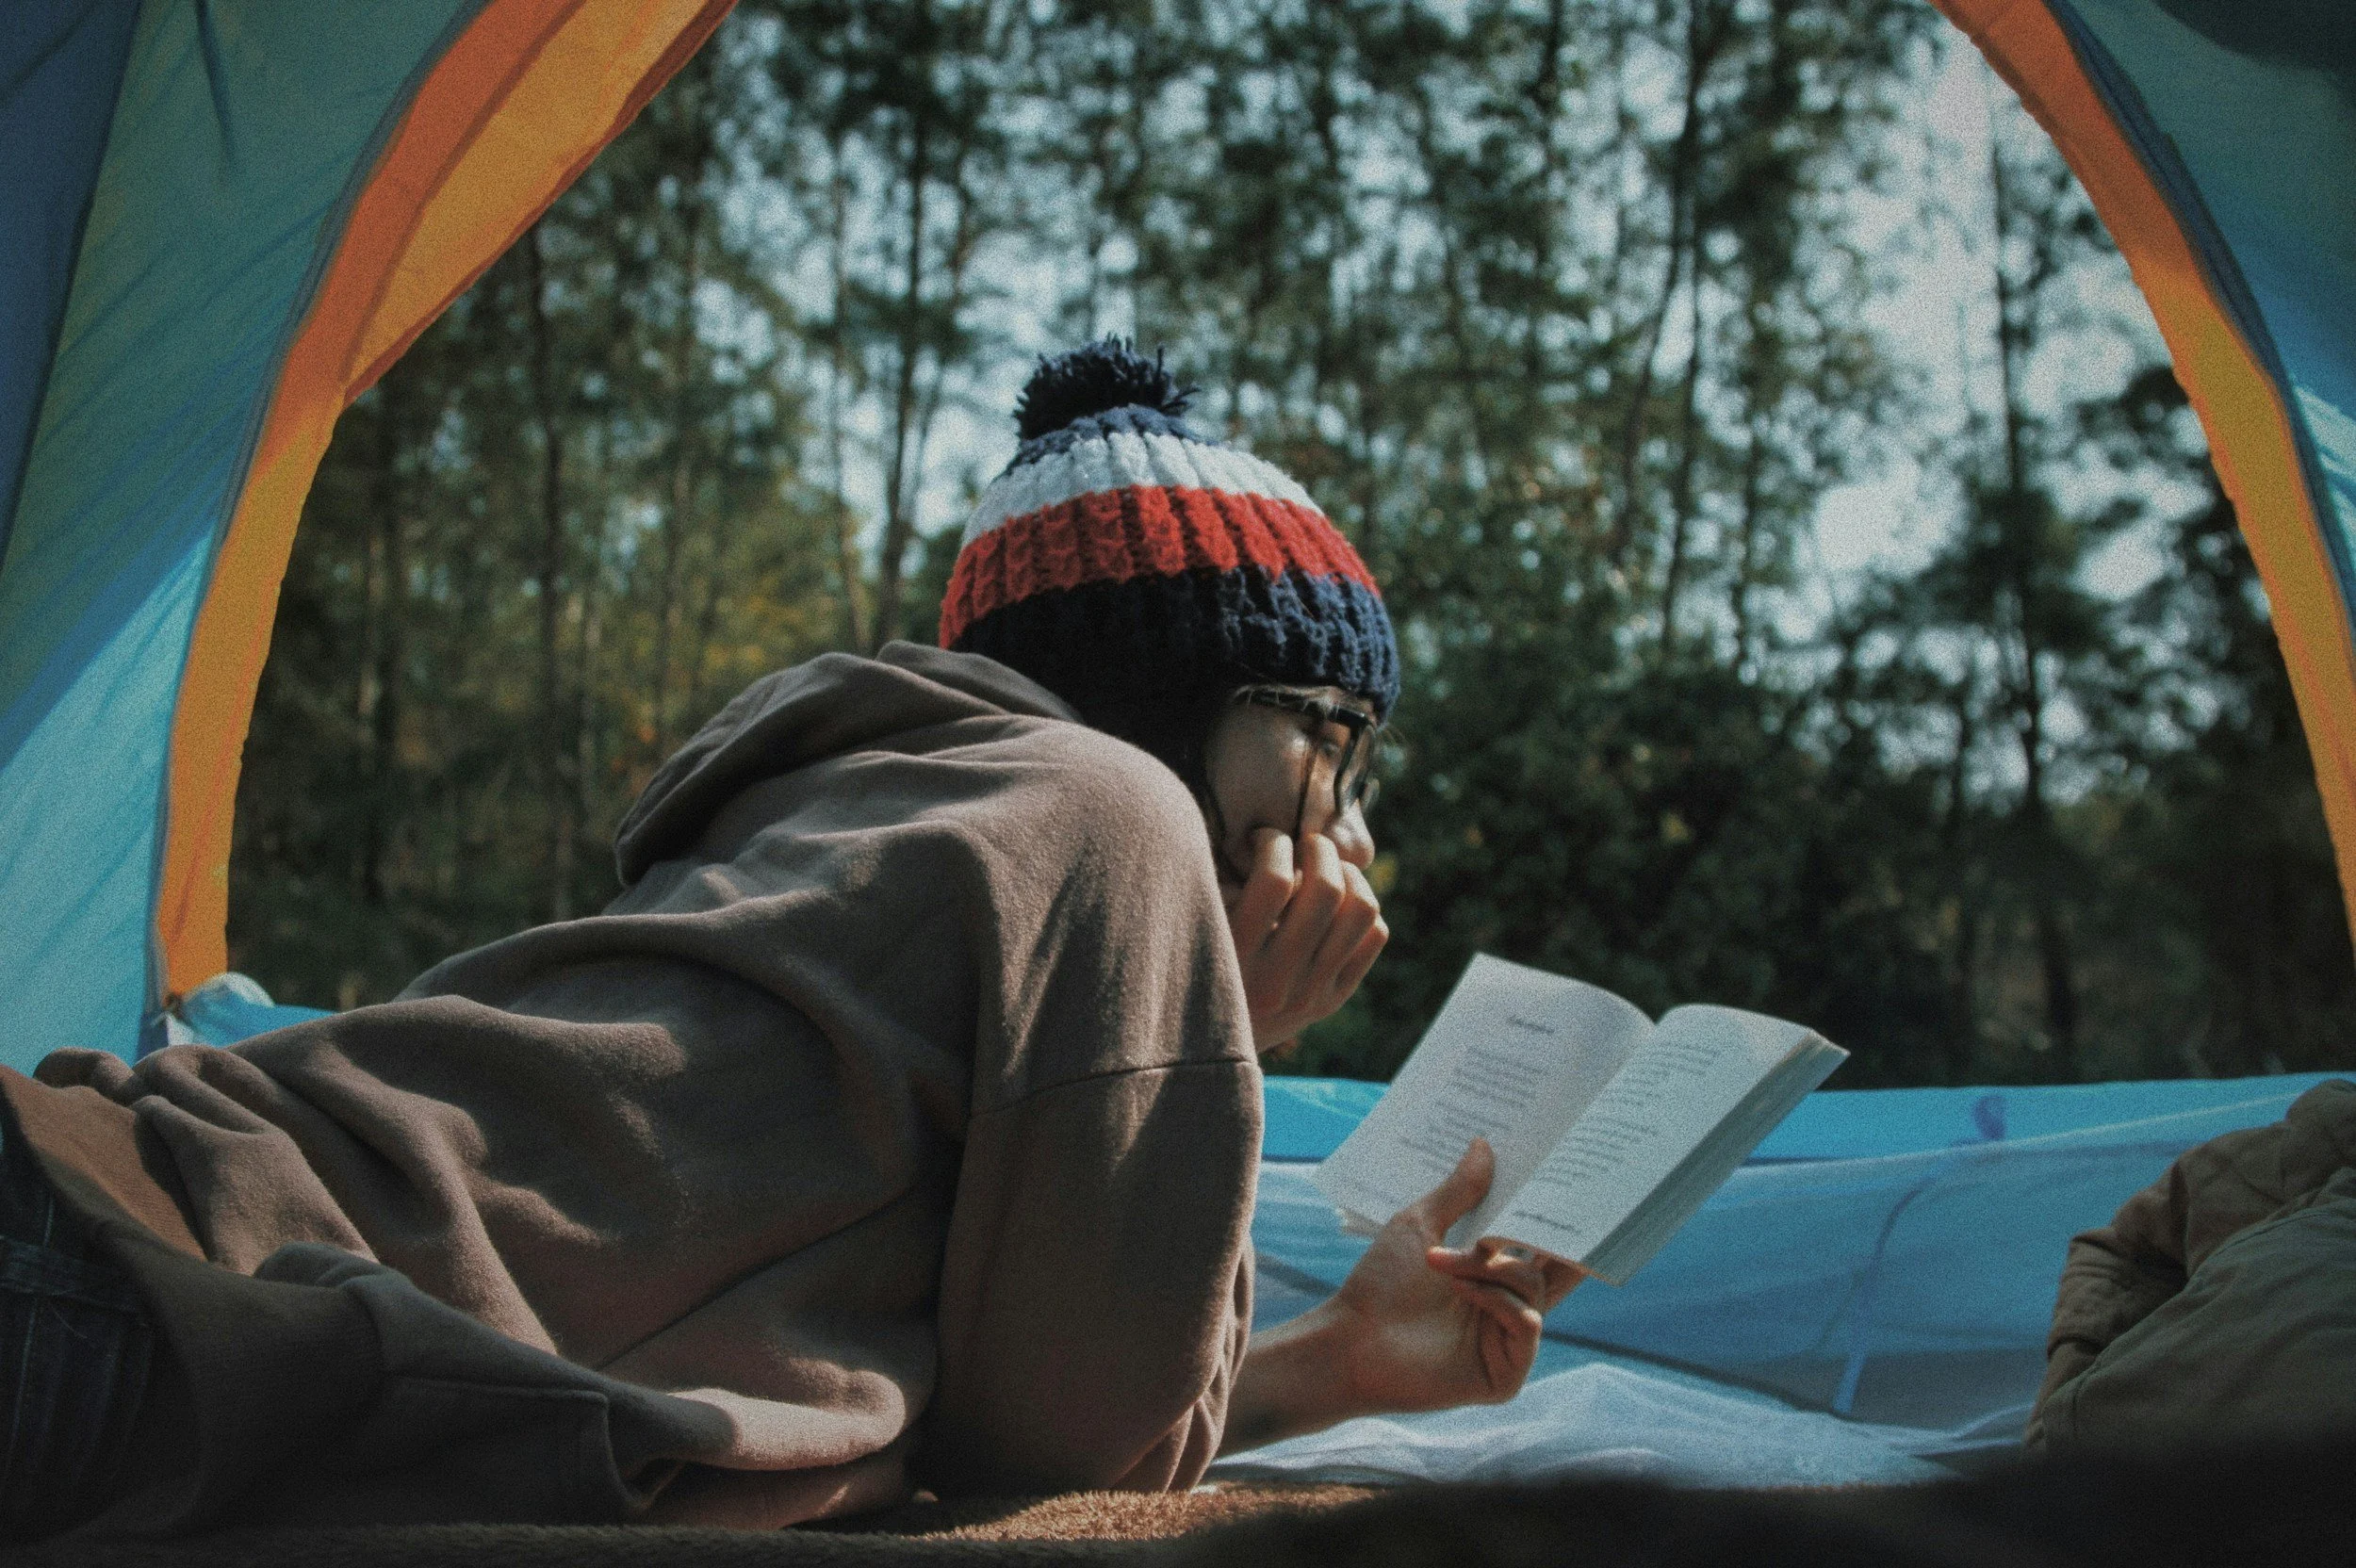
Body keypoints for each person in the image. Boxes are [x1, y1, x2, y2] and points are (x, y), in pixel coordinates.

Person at [0, 340, 1579, 1541]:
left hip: (100, 1235)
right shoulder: (1113, 816)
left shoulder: (881, 810)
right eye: (1332, 742)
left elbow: (983, 1390)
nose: (1357, 827)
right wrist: (1225, 1025)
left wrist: (1337, 1357)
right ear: (1178, 702)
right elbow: (1073, 1478)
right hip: (142, 1298)